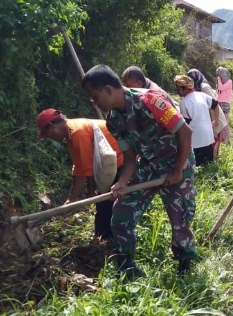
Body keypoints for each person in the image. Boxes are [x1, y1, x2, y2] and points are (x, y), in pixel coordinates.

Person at [81, 64, 197, 277]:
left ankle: (185, 266)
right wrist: (122, 182)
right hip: (149, 166)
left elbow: (186, 133)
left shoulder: (151, 101)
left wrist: (177, 170)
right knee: (121, 213)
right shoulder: (114, 121)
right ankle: (127, 268)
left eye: (94, 96)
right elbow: (131, 157)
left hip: (177, 162)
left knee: (180, 218)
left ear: (108, 89)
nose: (93, 102)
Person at [36, 108, 124, 244]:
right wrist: (72, 199)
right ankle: (102, 238)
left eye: (47, 134)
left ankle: (111, 241)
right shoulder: (71, 132)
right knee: (103, 203)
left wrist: (89, 195)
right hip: (107, 165)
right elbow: (79, 168)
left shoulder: (78, 132)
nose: (49, 137)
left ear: (52, 126)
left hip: (120, 162)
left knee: (109, 202)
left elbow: (87, 171)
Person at [174, 74, 220, 166]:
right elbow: (215, 105)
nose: (178, 92)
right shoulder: (202, 95)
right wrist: (216, 121)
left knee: (197, 167)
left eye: (179, 89)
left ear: (186, 89)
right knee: (209, 166)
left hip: (196, 140)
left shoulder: (184, 103)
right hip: (208, 137)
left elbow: (185, 125)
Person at [187, 68, 224, 157]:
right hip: (208, 119)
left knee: (214, 140)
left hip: (215, 117)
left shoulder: (204, 87)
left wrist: (214, 121)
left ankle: (213, 161)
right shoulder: (197, 87)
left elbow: (214, 105)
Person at [216, 66, 233, 144]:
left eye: (219, 75)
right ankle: (222, 138)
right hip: (219, 102)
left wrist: (219, 80)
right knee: (220, 121)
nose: (218, 76)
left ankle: (227, 139)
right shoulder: (220, 82)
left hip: (225, 103)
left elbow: (221, 88)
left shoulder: (229, 81)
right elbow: (218, 91)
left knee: (225, 121)